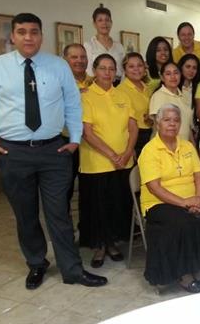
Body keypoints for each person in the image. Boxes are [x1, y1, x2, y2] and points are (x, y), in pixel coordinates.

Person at [0, 13, 107, 289]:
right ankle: (36, 263)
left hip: (54, 152)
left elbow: (73, 105)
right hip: (12, 154)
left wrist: (75, 140)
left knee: (60, 213)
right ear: (13, 36)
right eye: (22, 32)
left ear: (41, 36)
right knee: (26, 214)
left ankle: (72, 269)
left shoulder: (57, 66)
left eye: (34, 32)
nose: (28, 37)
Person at [139, 104, 200, 292]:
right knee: (182, 222)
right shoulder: (150, 150)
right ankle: (183, 273)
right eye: (167, 120)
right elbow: (154, 188)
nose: (172, 124)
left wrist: (199, 198)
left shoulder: (187, 145)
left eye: (176, 120)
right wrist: (184, 202)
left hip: (191, 198)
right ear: (158, 123)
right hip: (158, 203)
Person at [78, 53, 137, 266]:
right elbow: (87, 132)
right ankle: (99, 247)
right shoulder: (86, 96)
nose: (107, 72)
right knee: (98, 207)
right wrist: (112, 155)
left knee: (117, 205)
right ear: (94, 71)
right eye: (103, 68)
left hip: (123, 162)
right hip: (96, 164)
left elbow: (132, 126)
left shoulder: (122, 95)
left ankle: (112, 243)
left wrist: (128, 152)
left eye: (111, 68)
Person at [62, 43, 92, 211]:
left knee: (88, 187)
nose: (79, 61)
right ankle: (64, 232)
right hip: (67, 140)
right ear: (65, 59)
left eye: (83, 57)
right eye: (74, 57)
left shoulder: (94, 81)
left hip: (92, 141)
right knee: (64, 187)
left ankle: (87, 227)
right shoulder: (59, 82)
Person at [116, 52, 152, 158]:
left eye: (140, 65)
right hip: (134, 138)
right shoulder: (120, 91)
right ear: (125, 70)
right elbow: (121, 122)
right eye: (131, 66)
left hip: (150, 134)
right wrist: (130, 148)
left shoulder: (147, 88)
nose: (136, 69)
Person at [149, 62, 194, 141]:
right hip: (166, 147)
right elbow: (157, 127)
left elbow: (187, 127)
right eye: (168, 74)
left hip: (183, 147)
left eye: (176, 73)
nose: (173, 77)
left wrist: (192, 147)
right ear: (162, 77)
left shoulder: (183, 96)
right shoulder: (158, 96)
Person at [84, 6, 125, 84]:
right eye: (100, 20)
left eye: (107, 20)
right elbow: (88, 70)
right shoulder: (88, 45)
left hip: (118, 85)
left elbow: (123, 70)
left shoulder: (119, 46)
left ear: (111, 22)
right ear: (94, 24)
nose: (104, 23)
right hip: (97, 84)